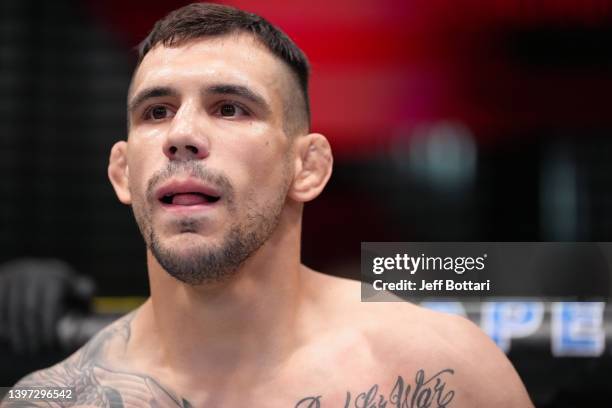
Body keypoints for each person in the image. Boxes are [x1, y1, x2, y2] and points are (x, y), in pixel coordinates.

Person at [1, 3, 532, 407]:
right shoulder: (52, 398)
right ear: (122, 172)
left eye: (229, 108)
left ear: (309, 167)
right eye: (157, 111)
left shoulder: (442, 368)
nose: (181, 134)